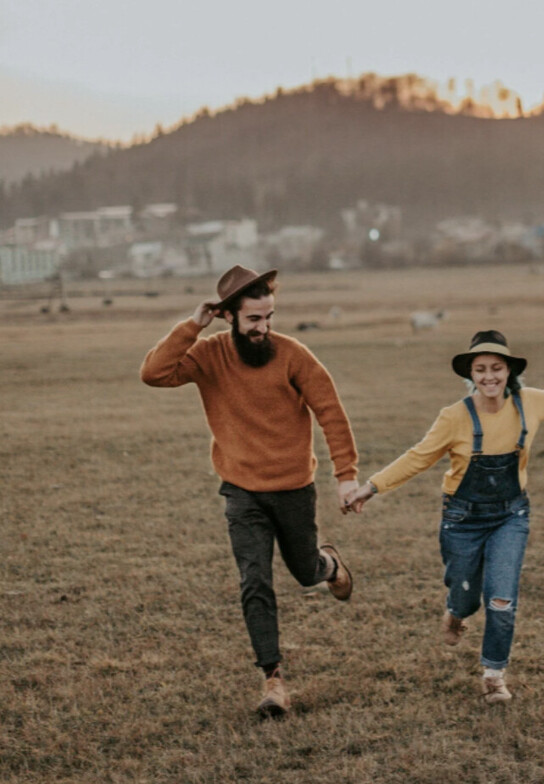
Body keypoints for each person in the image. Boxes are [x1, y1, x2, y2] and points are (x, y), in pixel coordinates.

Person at [140, 265, 359, 718]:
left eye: (269, 317)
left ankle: (329, 563)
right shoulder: (207, 355)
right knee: (254, 579)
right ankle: (273, 680)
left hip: (294, 488)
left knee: (303, 571)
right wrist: (192, 325)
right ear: (229, 317)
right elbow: (153, 373)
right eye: (254, 319)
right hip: (240, 490)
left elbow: (330, 412)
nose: (263, 328)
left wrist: (346, 475)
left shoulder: (293, 354)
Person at [345, 329, 544, 703]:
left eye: (496, 368)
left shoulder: (529, 403)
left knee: (501, 599)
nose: (489, 377)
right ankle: (456, 611)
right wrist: (371, 488)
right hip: (462, 520)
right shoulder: (454, 417)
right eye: (481, 369)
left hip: (510, 516)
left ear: (508, 371)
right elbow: (418, 457)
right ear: (471, 373)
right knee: (466, 595)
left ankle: (493, 675)